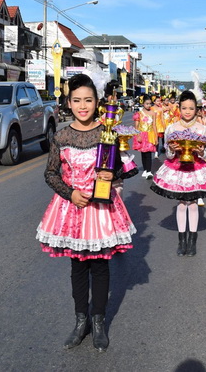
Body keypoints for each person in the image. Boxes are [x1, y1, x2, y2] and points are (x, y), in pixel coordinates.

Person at [36, 73, 137, 352]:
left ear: (97, 103)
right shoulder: (61, 136)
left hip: (101, 208)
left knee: (100, 266)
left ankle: (99, 321)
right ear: (69, 103)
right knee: (78, 267)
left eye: (88, 100)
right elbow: (50, 173)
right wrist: (71, 193)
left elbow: (121, 169)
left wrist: (112, 173)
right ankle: (81, 322)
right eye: (77, 100)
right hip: (72, 208)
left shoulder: (108, 132)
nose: (83, 106)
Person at [150, 90, 206, 256]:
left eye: (191, 108)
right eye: (184, 108)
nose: (188, 111)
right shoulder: (172, 128)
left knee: (193, 204)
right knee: (181, 204)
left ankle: (192, 241)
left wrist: (200, 151)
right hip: (177, 169)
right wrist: (172, 149)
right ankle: (182, 241)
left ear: (196, 109)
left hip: (195, 169)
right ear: (179, 108)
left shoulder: (203, 130)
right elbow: (168, 154)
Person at [133, 97, 158, 179]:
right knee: (143, 153)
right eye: (147, 103)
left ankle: (149, 171)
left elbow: (154, 125)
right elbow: (136, 126)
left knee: (148, 153)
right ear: (143, 103)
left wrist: (156, 137)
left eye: (150, 103)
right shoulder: (139, 114)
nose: (148, 105)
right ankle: (145, 169)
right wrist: (138, 135)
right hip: (142, 135)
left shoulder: (153, 113)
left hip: (150, 135)